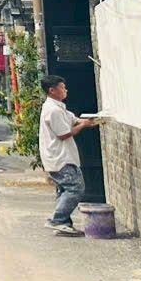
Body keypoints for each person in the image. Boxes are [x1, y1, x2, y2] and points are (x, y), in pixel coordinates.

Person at [38, 74, 97, 236]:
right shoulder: (53, 110)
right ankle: (57, 220)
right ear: (52, 90)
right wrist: (83, 125)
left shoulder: (58, 107)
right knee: (76, 188)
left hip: (59, 157)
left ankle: (63, 223)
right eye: (62, 88)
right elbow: (64, 134)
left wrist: (85, 121)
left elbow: (72, 118)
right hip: (60, 158)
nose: (66, 90)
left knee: (64, 189)